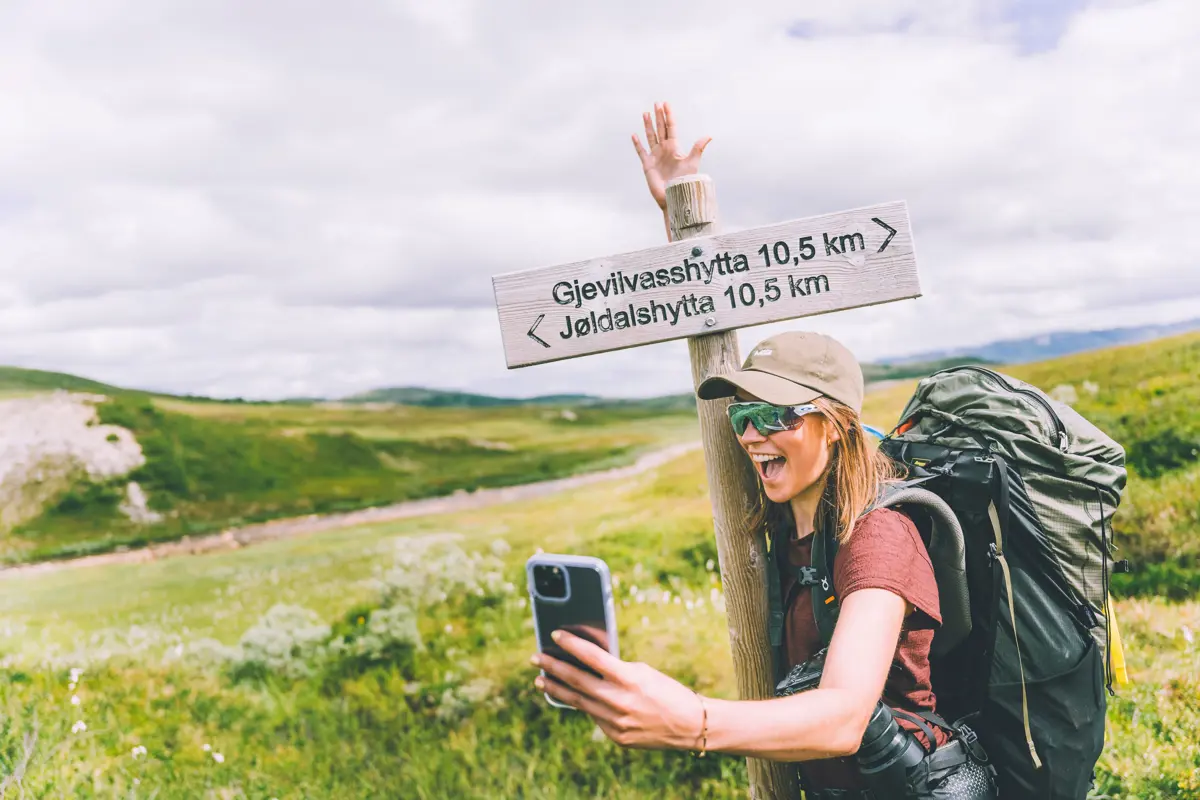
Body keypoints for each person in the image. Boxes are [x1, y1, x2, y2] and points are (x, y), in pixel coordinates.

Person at [529, 103, 992, 798]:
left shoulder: (881, 537)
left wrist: (693, 721)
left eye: (776, 413)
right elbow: (705, 305)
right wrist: (682, 217)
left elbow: (841, 717)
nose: (749, 432)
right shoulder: (783, 507)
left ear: (833, 425)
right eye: (743, 412)